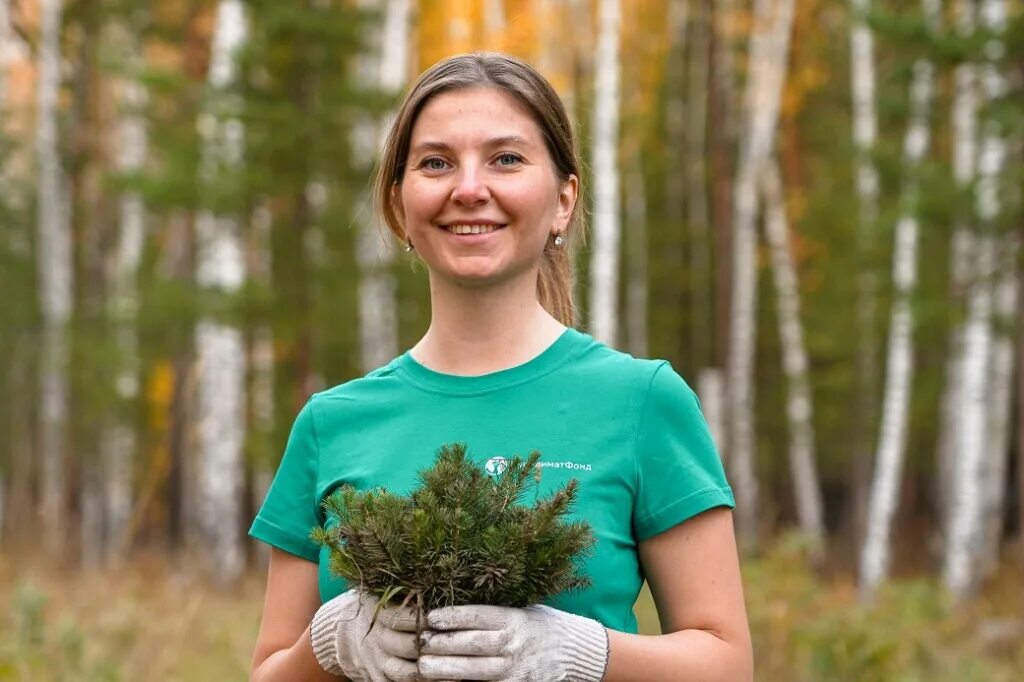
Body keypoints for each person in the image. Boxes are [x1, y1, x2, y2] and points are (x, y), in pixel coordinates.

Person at [249, 52, 753, 682]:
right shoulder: (332, 422)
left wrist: (583, 653)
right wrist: (325, 646)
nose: (468, 189)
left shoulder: (642, 401)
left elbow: (726, 664)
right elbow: (268, 673)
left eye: (506, 159)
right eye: (436, 163)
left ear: (563, 201)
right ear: (400, 204)